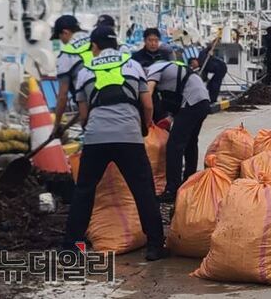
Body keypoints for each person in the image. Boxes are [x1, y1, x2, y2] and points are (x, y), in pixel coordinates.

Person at [63, 26, 168, 260]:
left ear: (95, 46)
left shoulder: (85, 69)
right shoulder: (133, 65)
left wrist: (91, 132)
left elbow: (83, 114)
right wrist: (142, 128)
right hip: (129, 136)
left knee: (84, 191)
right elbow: (148, 105)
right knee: (143, 191)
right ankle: (154, 246)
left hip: (96, 138)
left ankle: (71, 245)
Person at [146, 59, 210, 202]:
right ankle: (189, 182)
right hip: (203, 101)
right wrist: (169, 118)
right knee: (190, 143)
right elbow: (178, 93)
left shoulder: (153, 70)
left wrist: (146, 120)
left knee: (174, 146)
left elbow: (148, 94)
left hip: (192, 103)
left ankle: (172, 189)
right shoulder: (170, 66)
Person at [52, 15, 91, 134]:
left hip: (91, 112)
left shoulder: (66, 55)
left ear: (65, 32)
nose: (61, 41)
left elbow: (63, 95)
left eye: (59, 37)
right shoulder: (96, 40)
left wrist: (57, 125)